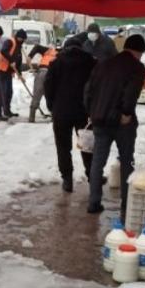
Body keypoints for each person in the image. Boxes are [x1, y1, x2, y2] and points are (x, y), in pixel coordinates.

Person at [83, 34, 145, 217]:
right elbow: (131, 92)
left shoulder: (103, 64)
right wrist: (126, 113)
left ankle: (93, 202)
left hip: (100, 119)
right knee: (126, 161)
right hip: (122, 123)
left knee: (97, 161)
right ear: (139, 51)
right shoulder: (137, 68)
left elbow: (88, 90)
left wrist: (91, 111)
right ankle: (126, 205)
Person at [44, 43, 96, 192]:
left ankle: (67, 179)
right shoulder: (91, 63)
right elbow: (95, 86)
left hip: (61, 111)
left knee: (62, 146)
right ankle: (92, 176)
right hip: (84, 111)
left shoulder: (57, 63)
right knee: (87, 145)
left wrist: (51, 105)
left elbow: (48, 85)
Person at [0, 29, 26, 120]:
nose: (22, 40)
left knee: (9, 92)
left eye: (23, 39)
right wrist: (11, 60)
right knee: (2, 93)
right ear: (18, 37)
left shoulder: (19, 45)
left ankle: (7, 111)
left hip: (8, 71)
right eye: (21, 38)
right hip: (1, 70)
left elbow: (18, 60)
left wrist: (20, 74)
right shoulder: (9, 41)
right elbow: (3, 51)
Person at [27, 43, 56, 123]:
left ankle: (31, 117)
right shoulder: (59, 53)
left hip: (42, 72)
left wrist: (30, 56)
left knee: (37, 94)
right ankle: (54, 116)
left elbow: (36, 46)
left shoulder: (47, 51)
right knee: (52, 95)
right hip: (52, 74)